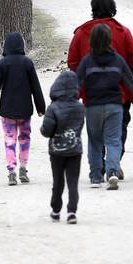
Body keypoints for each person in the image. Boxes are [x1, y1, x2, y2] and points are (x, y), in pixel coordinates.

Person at [67, 0, 133, 180]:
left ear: (93, 9)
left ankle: (98, 169)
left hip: (92, 95)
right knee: (119, 129)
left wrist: (82, 83)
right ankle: (113, 165)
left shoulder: (82, 32)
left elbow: (73, 62)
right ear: (112, 7)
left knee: (95, 134)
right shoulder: (123, 31)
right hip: (120, 93)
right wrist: (123, 76)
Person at [75, 24, 133, 191]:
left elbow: (77, 83)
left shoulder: (87, 61)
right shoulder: (117, 59)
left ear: (91, 40)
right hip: (114, 106)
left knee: (95, 141)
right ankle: (112, 171)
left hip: (93, 107)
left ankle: (95, 176)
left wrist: (69, 100)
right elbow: (129, 81)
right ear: (109, 40)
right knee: (113, 141)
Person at [0, 32, 46, 186]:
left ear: (5, 45)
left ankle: (11, 170)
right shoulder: (27, 63)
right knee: (25, 138)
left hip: (7, 110)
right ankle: (23, 168)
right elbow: (35, 87)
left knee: (9, 140)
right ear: (22, 46)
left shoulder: (2, 63)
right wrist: (41, 107)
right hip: (25, 110)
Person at [40, 71, 85, 224]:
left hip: (56, 151)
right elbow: (79, 128)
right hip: (75, 150)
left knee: (58, 181)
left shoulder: (53, 108)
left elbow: (47, 130)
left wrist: (47, 132)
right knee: (73, 182)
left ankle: (56, 209)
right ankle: (72, 211)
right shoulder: (80, 108)